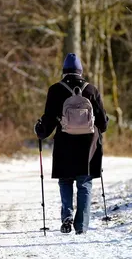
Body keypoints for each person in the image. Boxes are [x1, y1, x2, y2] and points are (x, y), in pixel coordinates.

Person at [34, 53, 108, 235]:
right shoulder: (92, 90)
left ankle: (66, 216)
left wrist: (40, 131)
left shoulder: (55, 90)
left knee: (65, 180)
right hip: (88, 146)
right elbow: (103, 124)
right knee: (84, 183)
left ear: (64, 71)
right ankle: (81, 226)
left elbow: (49, 121)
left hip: (64, 143)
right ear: (80, 71)